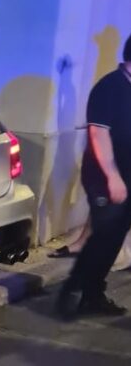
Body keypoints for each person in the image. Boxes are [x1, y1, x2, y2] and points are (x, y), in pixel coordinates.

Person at [56, 35, 131, 320]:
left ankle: (92, 294)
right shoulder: (110, 87)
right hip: (106, 177)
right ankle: (73, 292)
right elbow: (99, 135)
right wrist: (113, 177)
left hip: (127, 177)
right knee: (103, 237)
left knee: (112, 239)